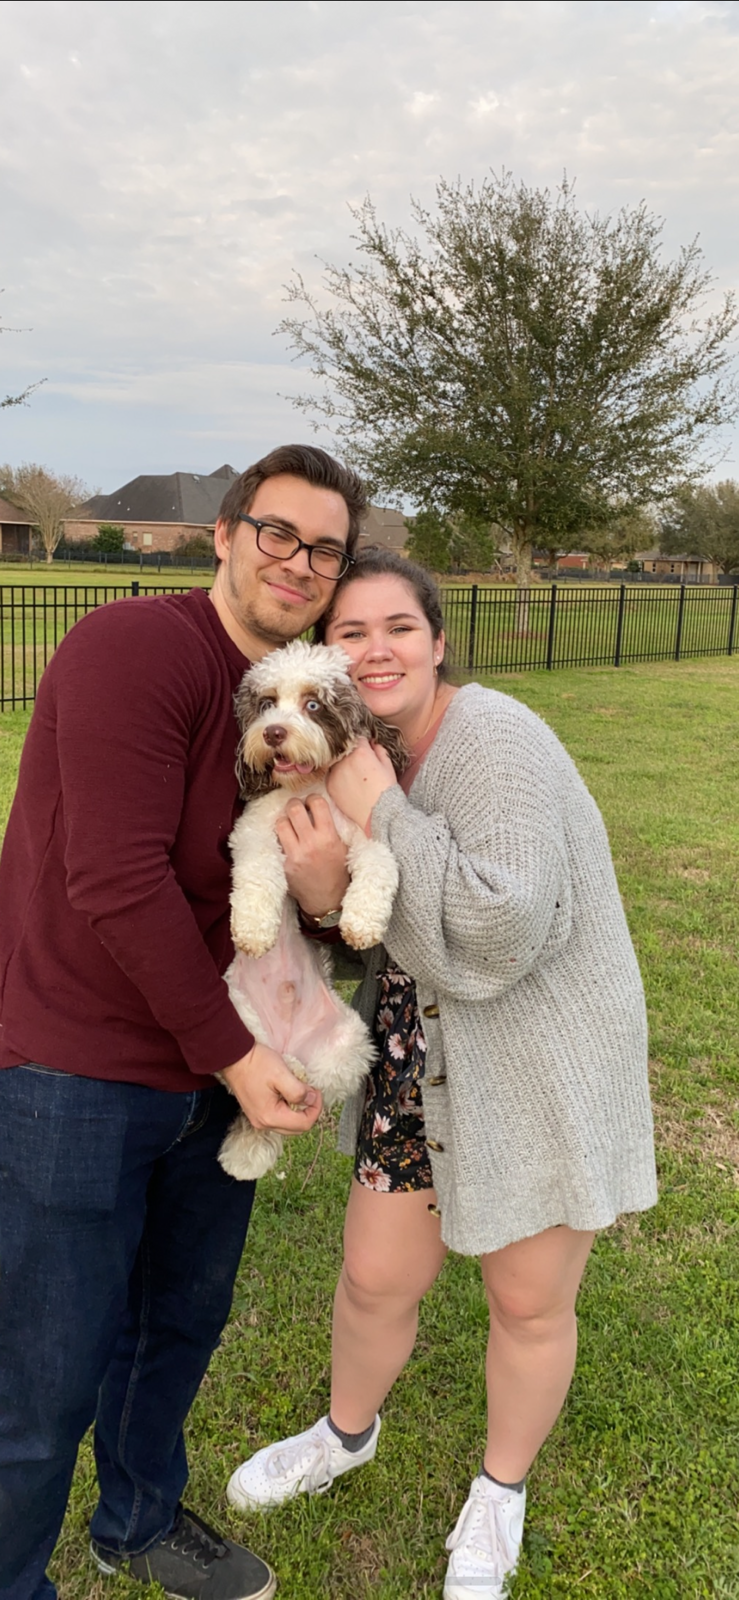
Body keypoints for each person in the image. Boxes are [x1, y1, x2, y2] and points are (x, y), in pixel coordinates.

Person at [226, 548, 658, 1600]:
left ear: (437, 641)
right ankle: (345, 1432)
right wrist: (328, 888)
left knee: (525, 1300)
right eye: (351, 634)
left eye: (397, 629)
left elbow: (495, 927)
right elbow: (369, 926)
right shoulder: (362, 752)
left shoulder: (494, 739)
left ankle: (499, 1491)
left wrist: (382, 817)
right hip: (422, 1058)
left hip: (536, 1061)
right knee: (374, 1275)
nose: (374, 650)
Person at [0, 444, 367, 1600]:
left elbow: (303, 898)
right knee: (43, 1375)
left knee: (177, 1324)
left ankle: (140, 1520)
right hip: (79, 1067)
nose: (299, 562)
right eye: (277, 532)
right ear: (222, 533)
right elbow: (113, 876)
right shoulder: (138, 649)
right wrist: (240, 1056)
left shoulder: (290, 697)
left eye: (325, 548)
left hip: (216, 1063)